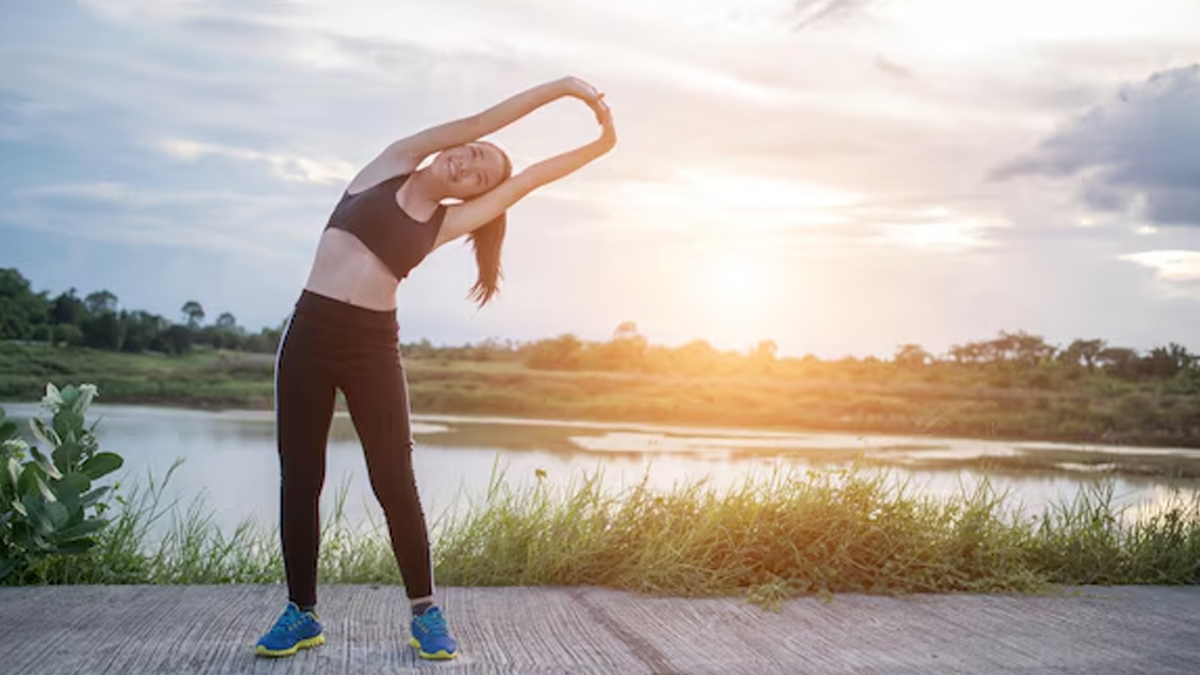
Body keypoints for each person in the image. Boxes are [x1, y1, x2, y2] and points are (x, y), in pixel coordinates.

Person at [254, 76, 615, 660]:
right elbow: (486, 119)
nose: (469, 164)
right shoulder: (392, 163)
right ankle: (301, 613)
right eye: (471, 155)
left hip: (371, 346)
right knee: (300, 479)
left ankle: (425, 612)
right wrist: (567, 88)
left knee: (394, 481)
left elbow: (528, 180)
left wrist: (601, 145)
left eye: (480, 176)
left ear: (473, 195)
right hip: (308, 337)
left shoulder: (444, 224)